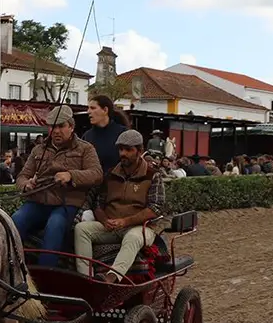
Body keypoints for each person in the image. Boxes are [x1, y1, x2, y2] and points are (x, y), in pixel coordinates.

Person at [11, 104, 103, 266]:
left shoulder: (85, 149)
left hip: (66, 204)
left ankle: (46, 274)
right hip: (38, 202)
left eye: (61, 126)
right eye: (52, 127)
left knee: (55, 224)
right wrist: (26, 184)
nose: (56, 131)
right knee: (16, 219)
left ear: (71, 127)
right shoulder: (38, 150)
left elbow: (97, 174)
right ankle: (11, 265)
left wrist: (71, 175)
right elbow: (22, 176)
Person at [73, 129, 167, 284]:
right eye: (121, 149)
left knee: (132, 237)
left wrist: (125, 221)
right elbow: (98, 204)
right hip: (112, 226)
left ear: (140, 151)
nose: (123, 153)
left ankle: (111, 278)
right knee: (81, 229)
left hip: (141, 228)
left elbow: (155, 209)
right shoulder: (110, 175)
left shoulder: (153, 175)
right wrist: (104, 220)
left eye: (128, 150)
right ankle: (87, 279)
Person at [81, 94, 130, 175]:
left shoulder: (123, 133)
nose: (88, 111)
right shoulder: (87, 136)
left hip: (117, 183)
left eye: (93, 108)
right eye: (88, 108)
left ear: (105, 110)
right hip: (92, 184)